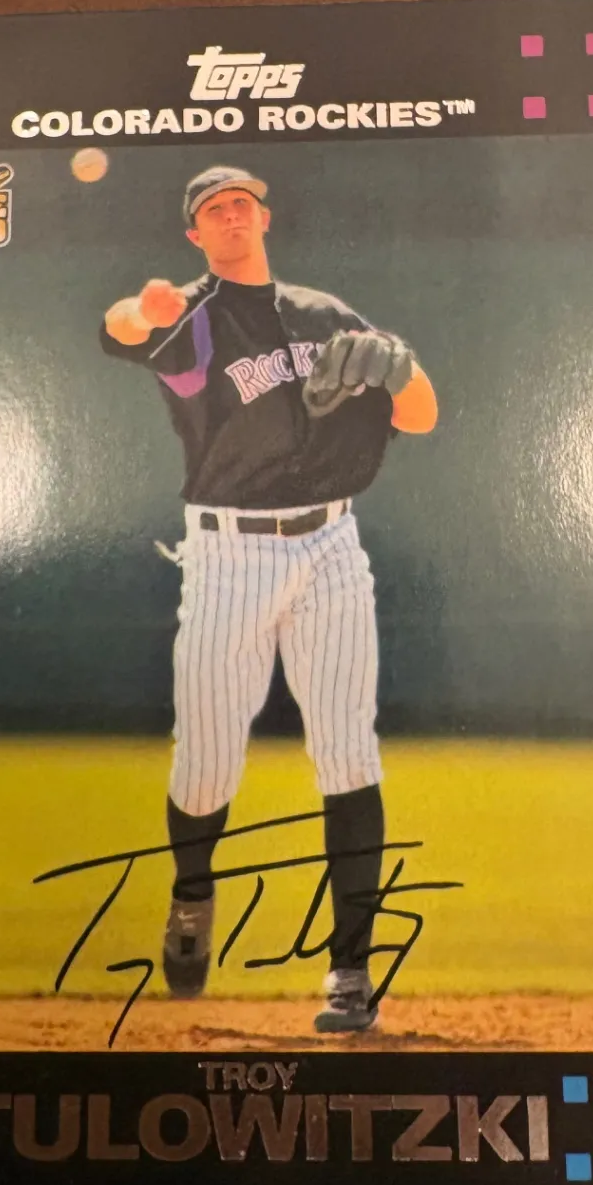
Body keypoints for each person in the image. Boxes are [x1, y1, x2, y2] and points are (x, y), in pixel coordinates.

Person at [100, 165, 437, 1031]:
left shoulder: (326, 314)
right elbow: (121, 329)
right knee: (207, 764)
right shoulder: (190, 320)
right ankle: (191, 892)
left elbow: (422, 415)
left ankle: (351, 975)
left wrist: (402, 370)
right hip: (229, 555)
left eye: (241, 202)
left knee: (349, 755)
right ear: (196, 234)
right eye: (213, 208)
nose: (230, 213)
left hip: (331, 546)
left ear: (265, 217)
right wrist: (143, 308)